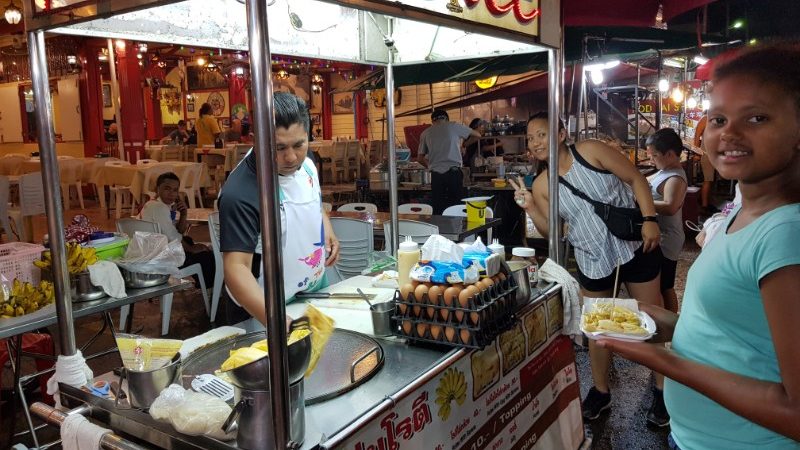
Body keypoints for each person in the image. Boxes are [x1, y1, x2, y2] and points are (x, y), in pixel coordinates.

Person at [599, 43, 800, 450]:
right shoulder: (741, 214)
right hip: (694, 438)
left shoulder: (786, 234)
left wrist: (668, 362)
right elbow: (732, 333)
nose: (729, 132)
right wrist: (651, 321)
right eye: (719, 118)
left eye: (757, 117)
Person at [508, 112, 665, 425]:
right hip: (592, 256)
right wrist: (529, 206)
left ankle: (663, 390)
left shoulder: (591, 150)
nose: (536, 142)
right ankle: (601, 391)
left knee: (651, 315)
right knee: (598, 324)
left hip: (634, 244)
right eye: (531, 137)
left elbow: (635, 178)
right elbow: (553, 231)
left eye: (542, 134)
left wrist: (649, 220)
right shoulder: (541, 184)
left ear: (562, 134)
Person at [218, 92, 340, 326]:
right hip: (262, 311)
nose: (291, 157)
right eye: (279, 147)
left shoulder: (306, 160)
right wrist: (276, 321)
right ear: (257, 139)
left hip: (311, 292)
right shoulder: (241, 193)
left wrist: (328, 230)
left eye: (299, 144)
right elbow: (236, 268)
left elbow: (312, 198)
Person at [139, 172, 216, 288]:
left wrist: (184, 214)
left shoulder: (155, 205)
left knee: (188, 240)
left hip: (154, 251)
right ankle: (211, 289)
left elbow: (177, 232)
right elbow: (172, 236)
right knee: (205, 256)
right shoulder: (159, 207)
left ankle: (208, 284)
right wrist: (192, 249)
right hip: (159, 257)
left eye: (175, 190)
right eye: (167, 189)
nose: (171, 194)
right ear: (157, 189)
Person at [645, 128, 688, 314]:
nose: (651, 160)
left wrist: (643, 203)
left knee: (666, 284)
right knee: (661, 283)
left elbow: (671, 206)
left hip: (667, 239)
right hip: (661, 236)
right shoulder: (664, 171)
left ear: (670, 154)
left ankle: (671, 323)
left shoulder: (675, 177)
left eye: (654, 155)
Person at [417, 109, 481, 214]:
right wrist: (464, 145)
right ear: (446, 119)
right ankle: (457, 229)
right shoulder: (454, 126)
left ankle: (440, 229)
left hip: (436, 176)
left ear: (433, 121)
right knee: (456, 208)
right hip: (454, 174)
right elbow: (477, 135)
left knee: (438, 208)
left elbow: (420, 158)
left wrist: (431, 166)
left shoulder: (425, 133)